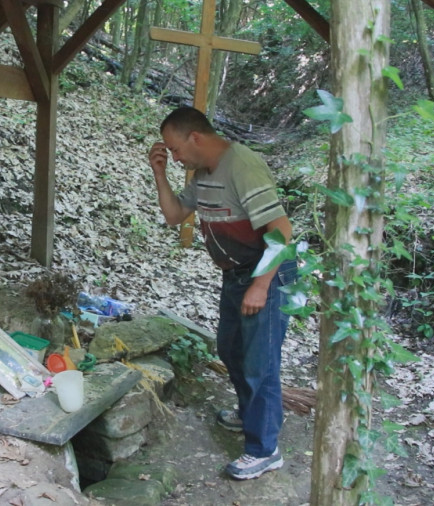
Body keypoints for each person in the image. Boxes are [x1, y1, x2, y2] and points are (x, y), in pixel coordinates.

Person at [148, 106, 297, 480]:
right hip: (236, 275)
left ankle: (265, 450)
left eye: (176, 149)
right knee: (231, 349)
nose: (176, 156)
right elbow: (173, 215)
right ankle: (250, 416)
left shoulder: (242, 166)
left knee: (258, 363)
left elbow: (282, 230)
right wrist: (160, 173)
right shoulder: (202, 174)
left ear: (195, 137)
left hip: (266, 273)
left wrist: (261, 285)